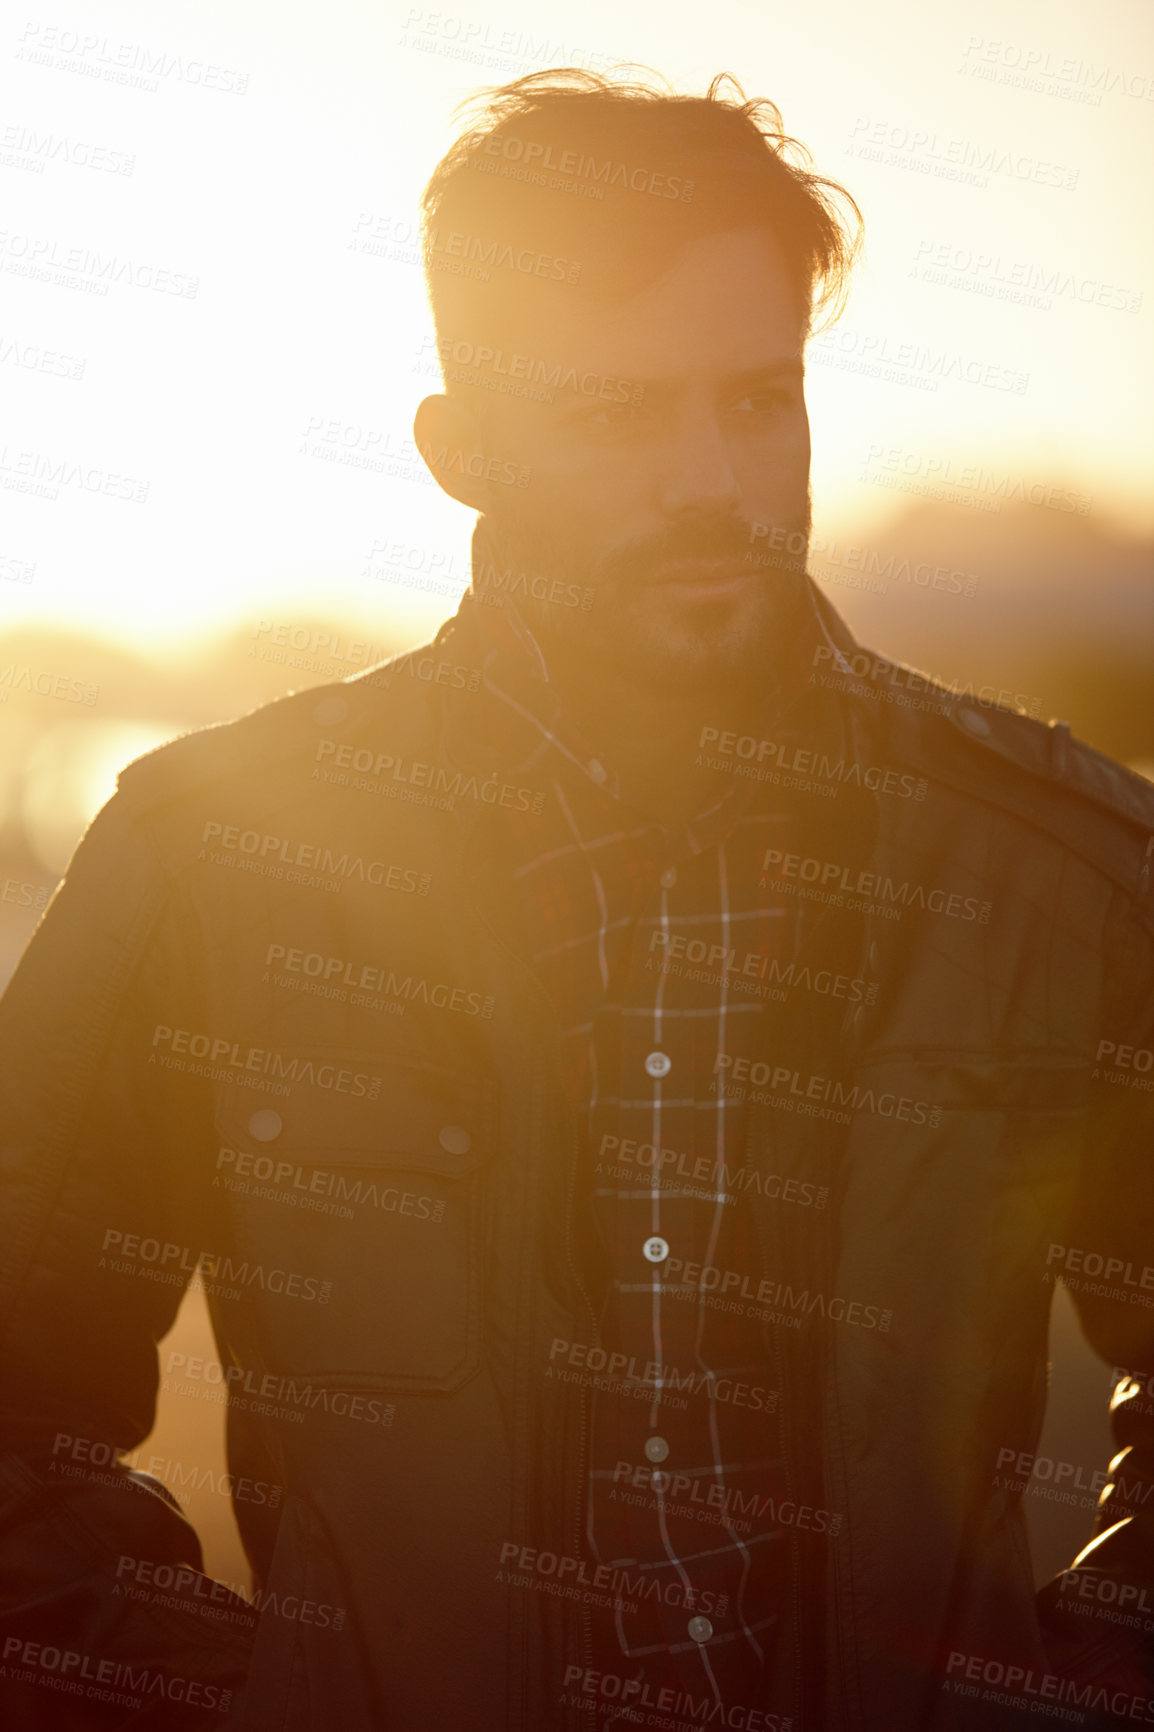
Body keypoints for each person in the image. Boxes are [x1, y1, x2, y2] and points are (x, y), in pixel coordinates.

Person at [1, 66, 1151, 1732]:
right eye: (616, 413)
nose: (710, 478)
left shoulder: (1062, 868)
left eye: (754, 400)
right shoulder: (215, 859)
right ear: (459, 449)